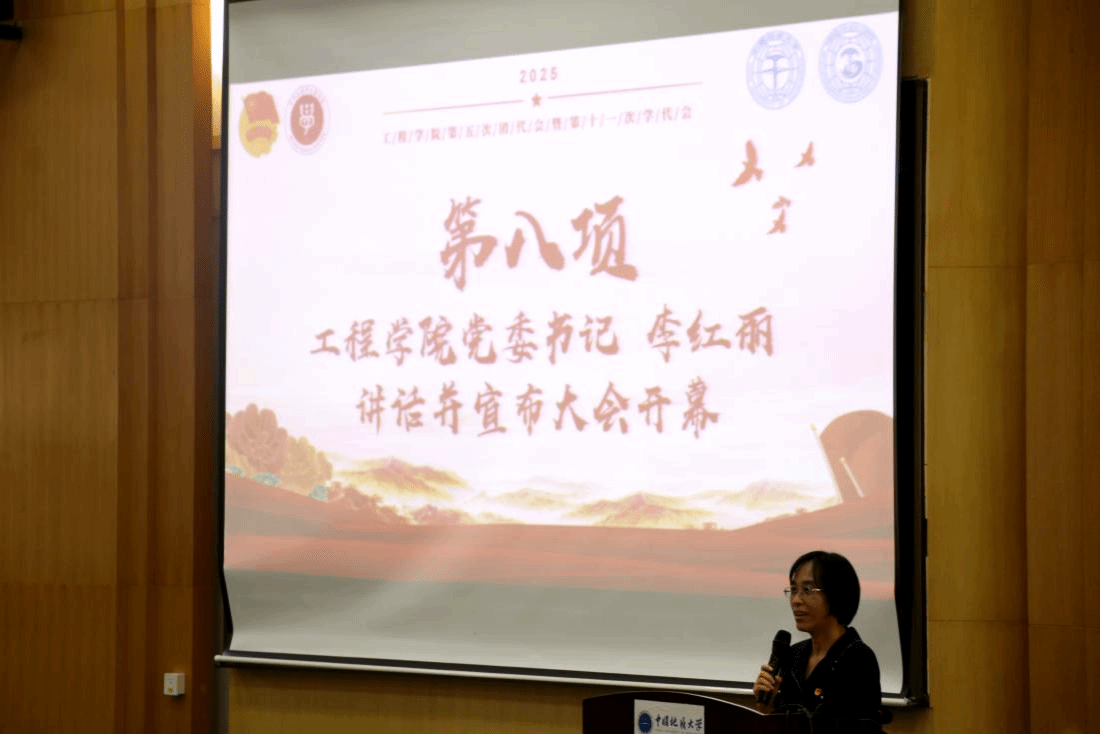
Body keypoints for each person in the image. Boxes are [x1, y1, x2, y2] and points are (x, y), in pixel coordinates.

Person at [751, 550, 884, 727]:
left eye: (807, 590)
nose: (796, 600)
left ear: (836, 594)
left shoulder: (858, 659)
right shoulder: (793, 655)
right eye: (793, 590)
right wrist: (767, 708)